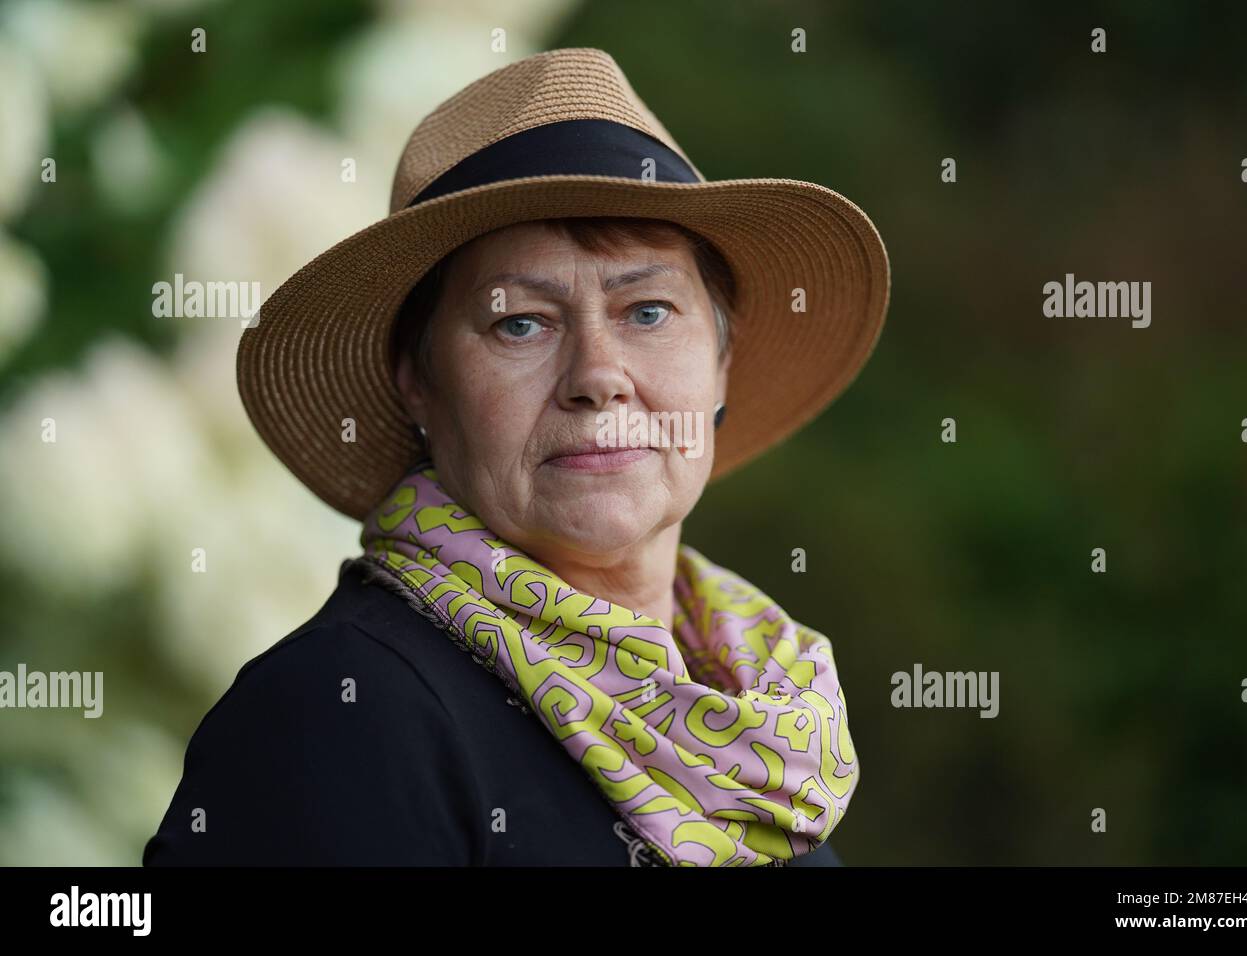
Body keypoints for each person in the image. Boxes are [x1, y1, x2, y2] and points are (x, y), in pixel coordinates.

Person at [144, 46, 890, 867]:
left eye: (647, 311)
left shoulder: (761, 711)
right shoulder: (339, 712)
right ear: (420, 383)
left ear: (720, 363)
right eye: (520, 323)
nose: (598, 377)